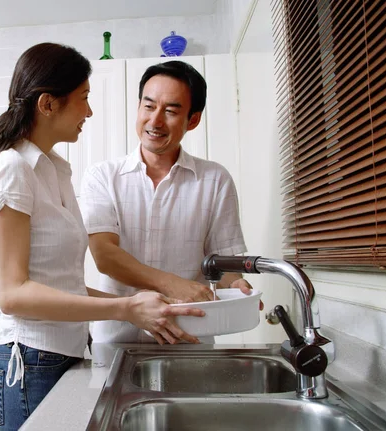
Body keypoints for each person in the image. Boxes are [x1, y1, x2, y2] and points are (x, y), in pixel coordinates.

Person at [0, 44, 205, 431]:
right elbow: (12, 295)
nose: (89, 112)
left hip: (60, 355)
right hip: (30, 361)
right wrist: (124, 309)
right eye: (83, 99)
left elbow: (65, 284)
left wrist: (135, 307)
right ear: (48, 104)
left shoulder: (54, 170)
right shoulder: (10, 168)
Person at [80, 60, 259, 345]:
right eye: (148, 106)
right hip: (116, 338)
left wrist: (235, 286)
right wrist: (172, 283)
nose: (155, 121)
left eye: (171, 111)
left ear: (193, 120)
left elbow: (223, 263)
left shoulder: (214, 180)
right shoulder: (103, 176)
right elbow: (105, 255)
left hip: (188, 338)